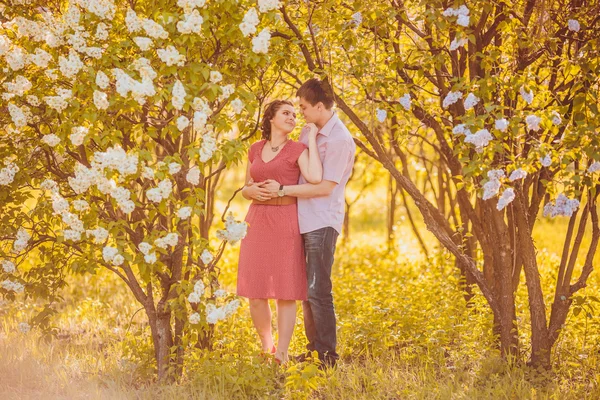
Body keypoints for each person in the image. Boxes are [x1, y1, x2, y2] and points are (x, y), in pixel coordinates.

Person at [261, 78, 356, 368]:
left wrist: (282, 190)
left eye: (303, 107)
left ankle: (328, 357)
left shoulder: (340, 140)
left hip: (322, 221)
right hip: (300, 220)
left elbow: (325, 186)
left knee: (319, 290)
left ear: (319, 106)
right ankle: (314, 351)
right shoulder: (308, 132)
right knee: (305, 290)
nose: (299, 111)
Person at [237, 100, 323, 364]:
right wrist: (248, 192)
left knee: (286, 292)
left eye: (295, 114)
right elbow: (245, 187)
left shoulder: (297, 149)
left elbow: (316, 177)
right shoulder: (254, 148)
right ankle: (267, 347)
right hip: (257, 222)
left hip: (286, 221)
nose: (292, 117)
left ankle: (283, 354)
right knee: (255, 292)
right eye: (286, 113)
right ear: (271, 118)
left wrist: (313, 140)